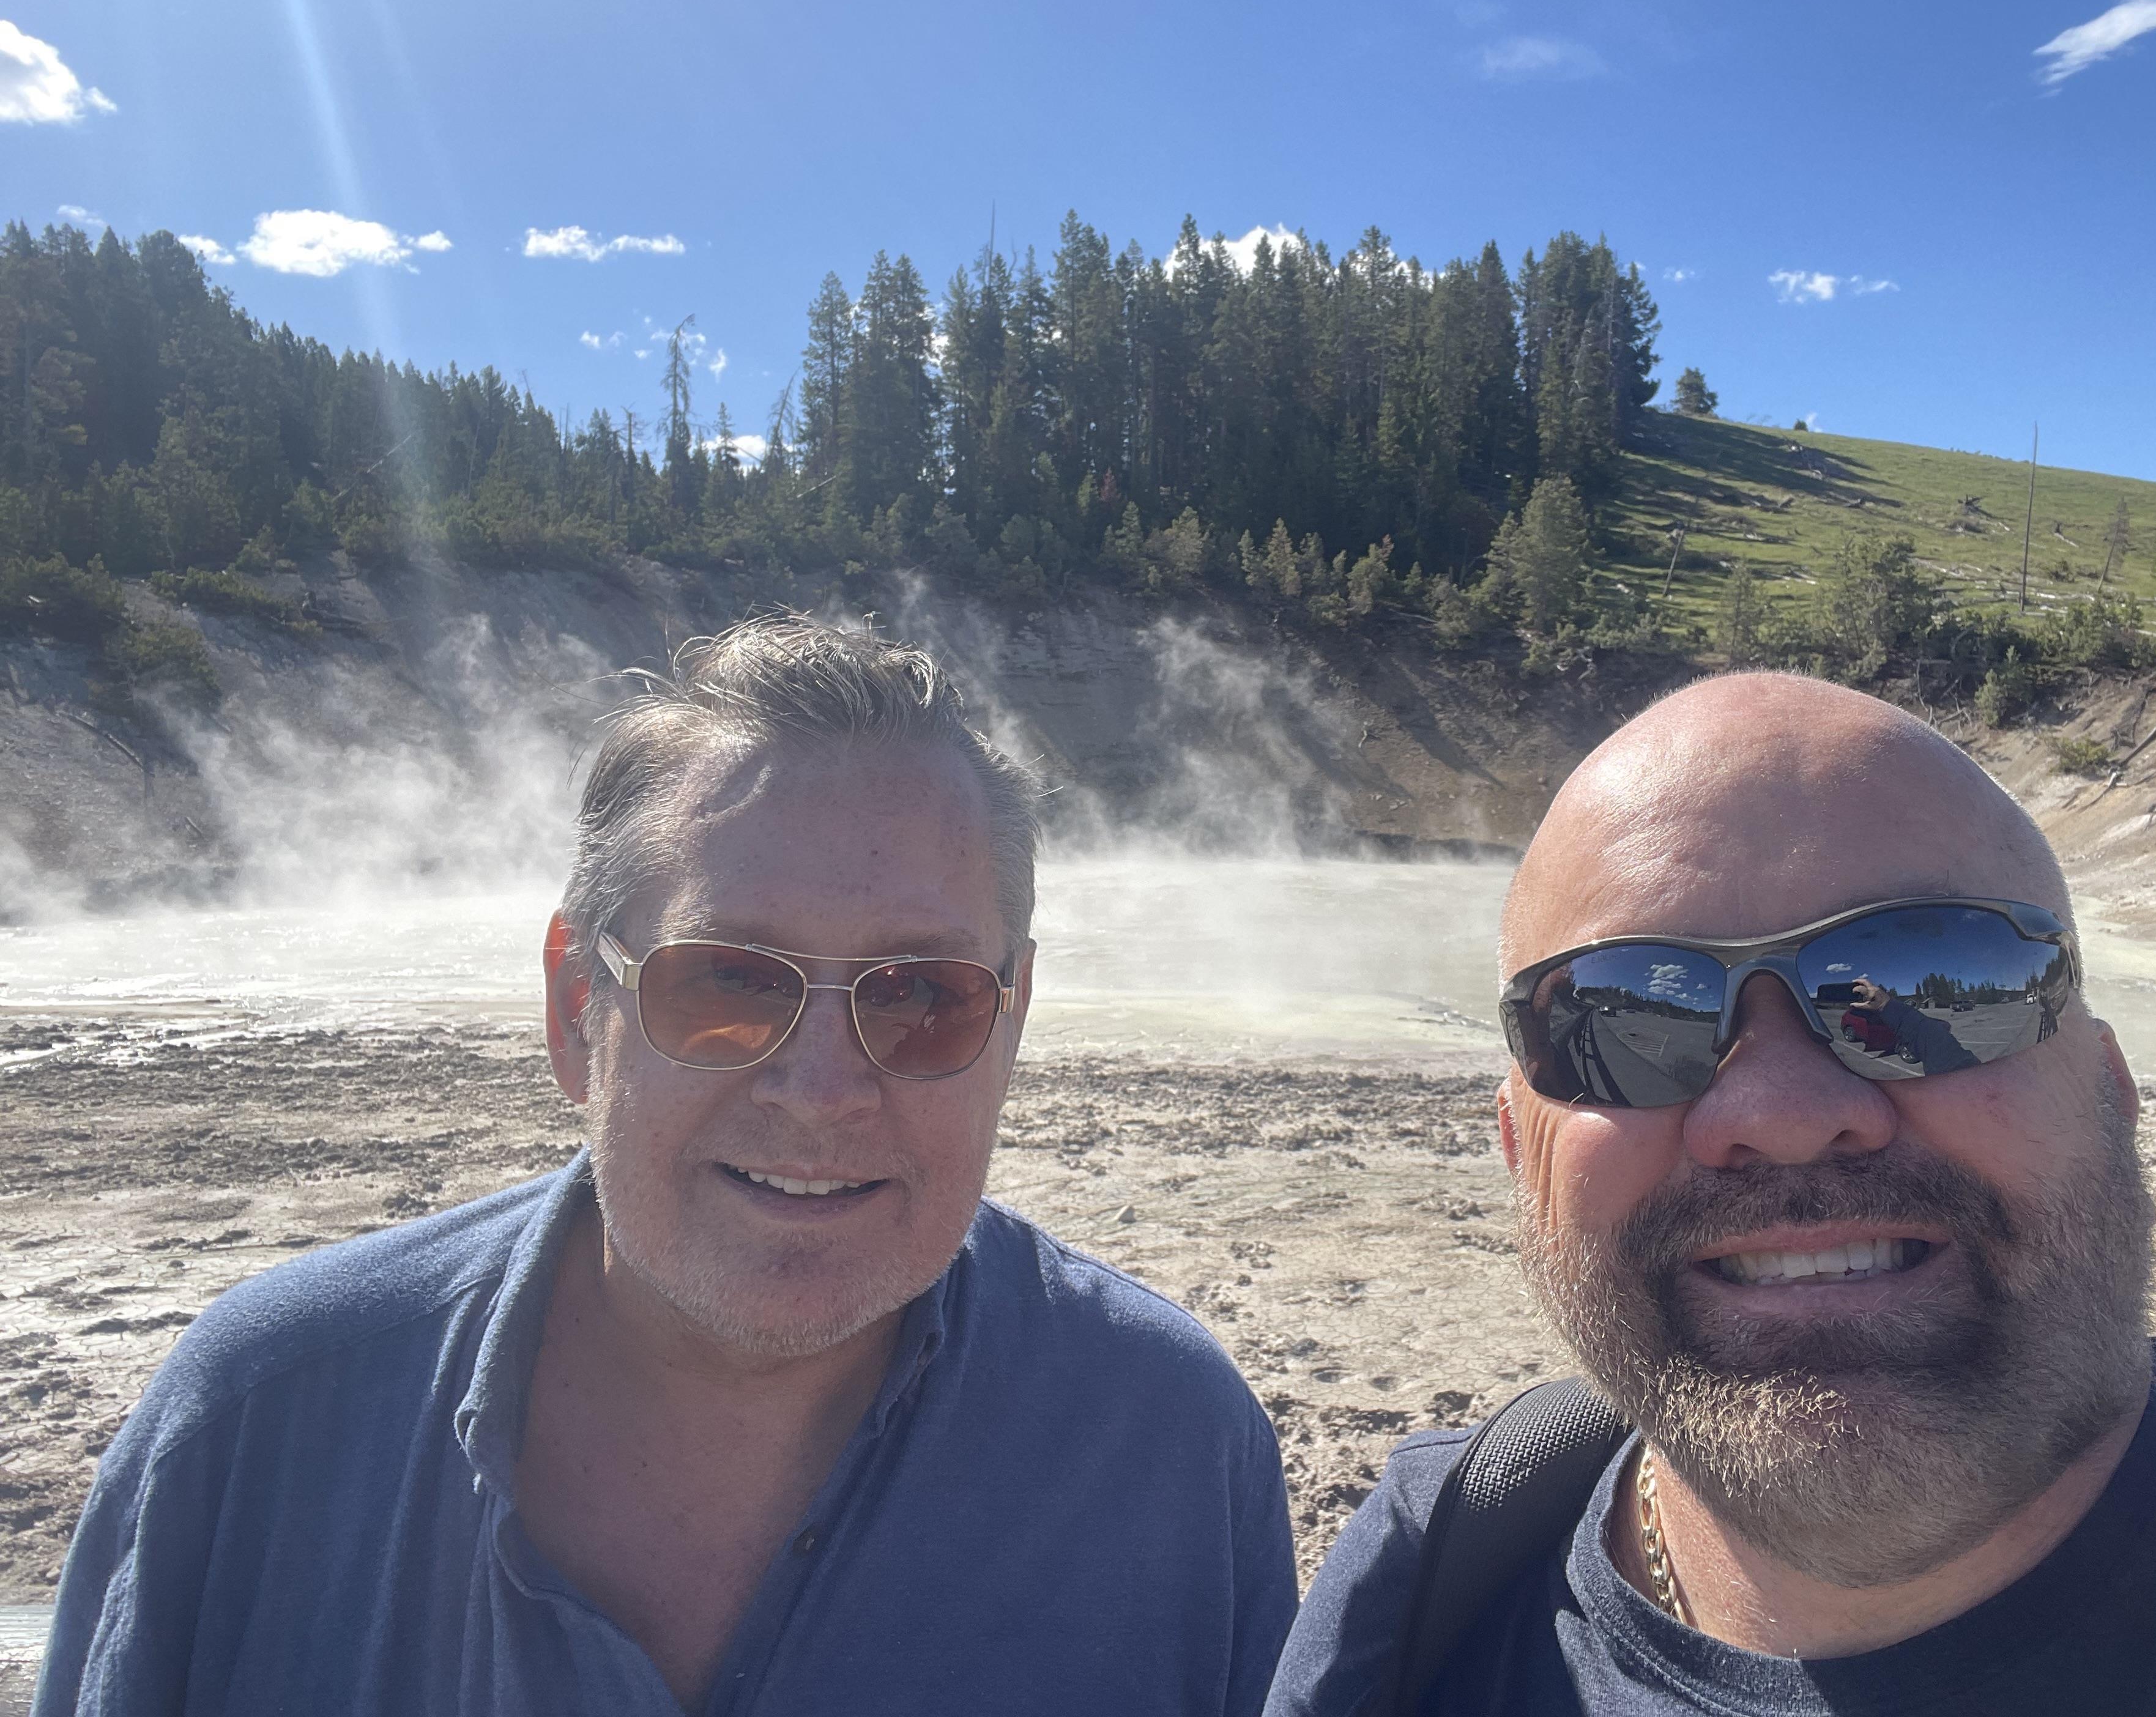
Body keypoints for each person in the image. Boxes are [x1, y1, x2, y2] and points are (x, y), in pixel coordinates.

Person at [39, 615, 1297, 1717]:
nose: (820, 1090)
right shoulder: (261, 1424)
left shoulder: (1169, 1451)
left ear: (1011, 1025)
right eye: (730, 982)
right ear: (578, 1004)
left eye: (922, 995)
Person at [1269, 672, 2156, 1716]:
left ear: (2109, 1089)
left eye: (1928, 984)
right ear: (1522, 1155)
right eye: (1623, 1019)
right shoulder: (1422, 1594)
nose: (1782, 1115)